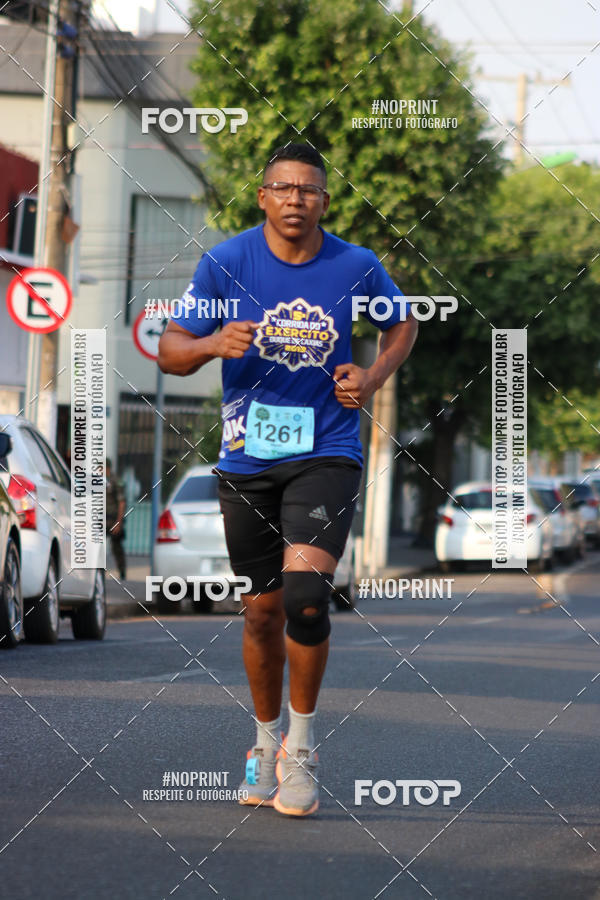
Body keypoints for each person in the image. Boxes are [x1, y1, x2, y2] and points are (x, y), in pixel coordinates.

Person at [158, 144, 418, 817]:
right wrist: (215, 343)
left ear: (324, 202)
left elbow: (403, 323)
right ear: (263, 196)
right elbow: (170, 351)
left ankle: (301, 749)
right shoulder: (226, 262)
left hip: (327, 451)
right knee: (261, 610)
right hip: (247, 459)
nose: (296, 199)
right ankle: (263, 741)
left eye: (310, 190)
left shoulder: (356, 265)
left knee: (305, 596)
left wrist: (373, 375)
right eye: (284, 187)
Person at [106, 458, 126, 581]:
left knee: (116, 547)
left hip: (113, 520)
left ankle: (122, 571)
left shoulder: (116, 481)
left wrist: (119, 523)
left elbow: (121, 502)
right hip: (100, 521)